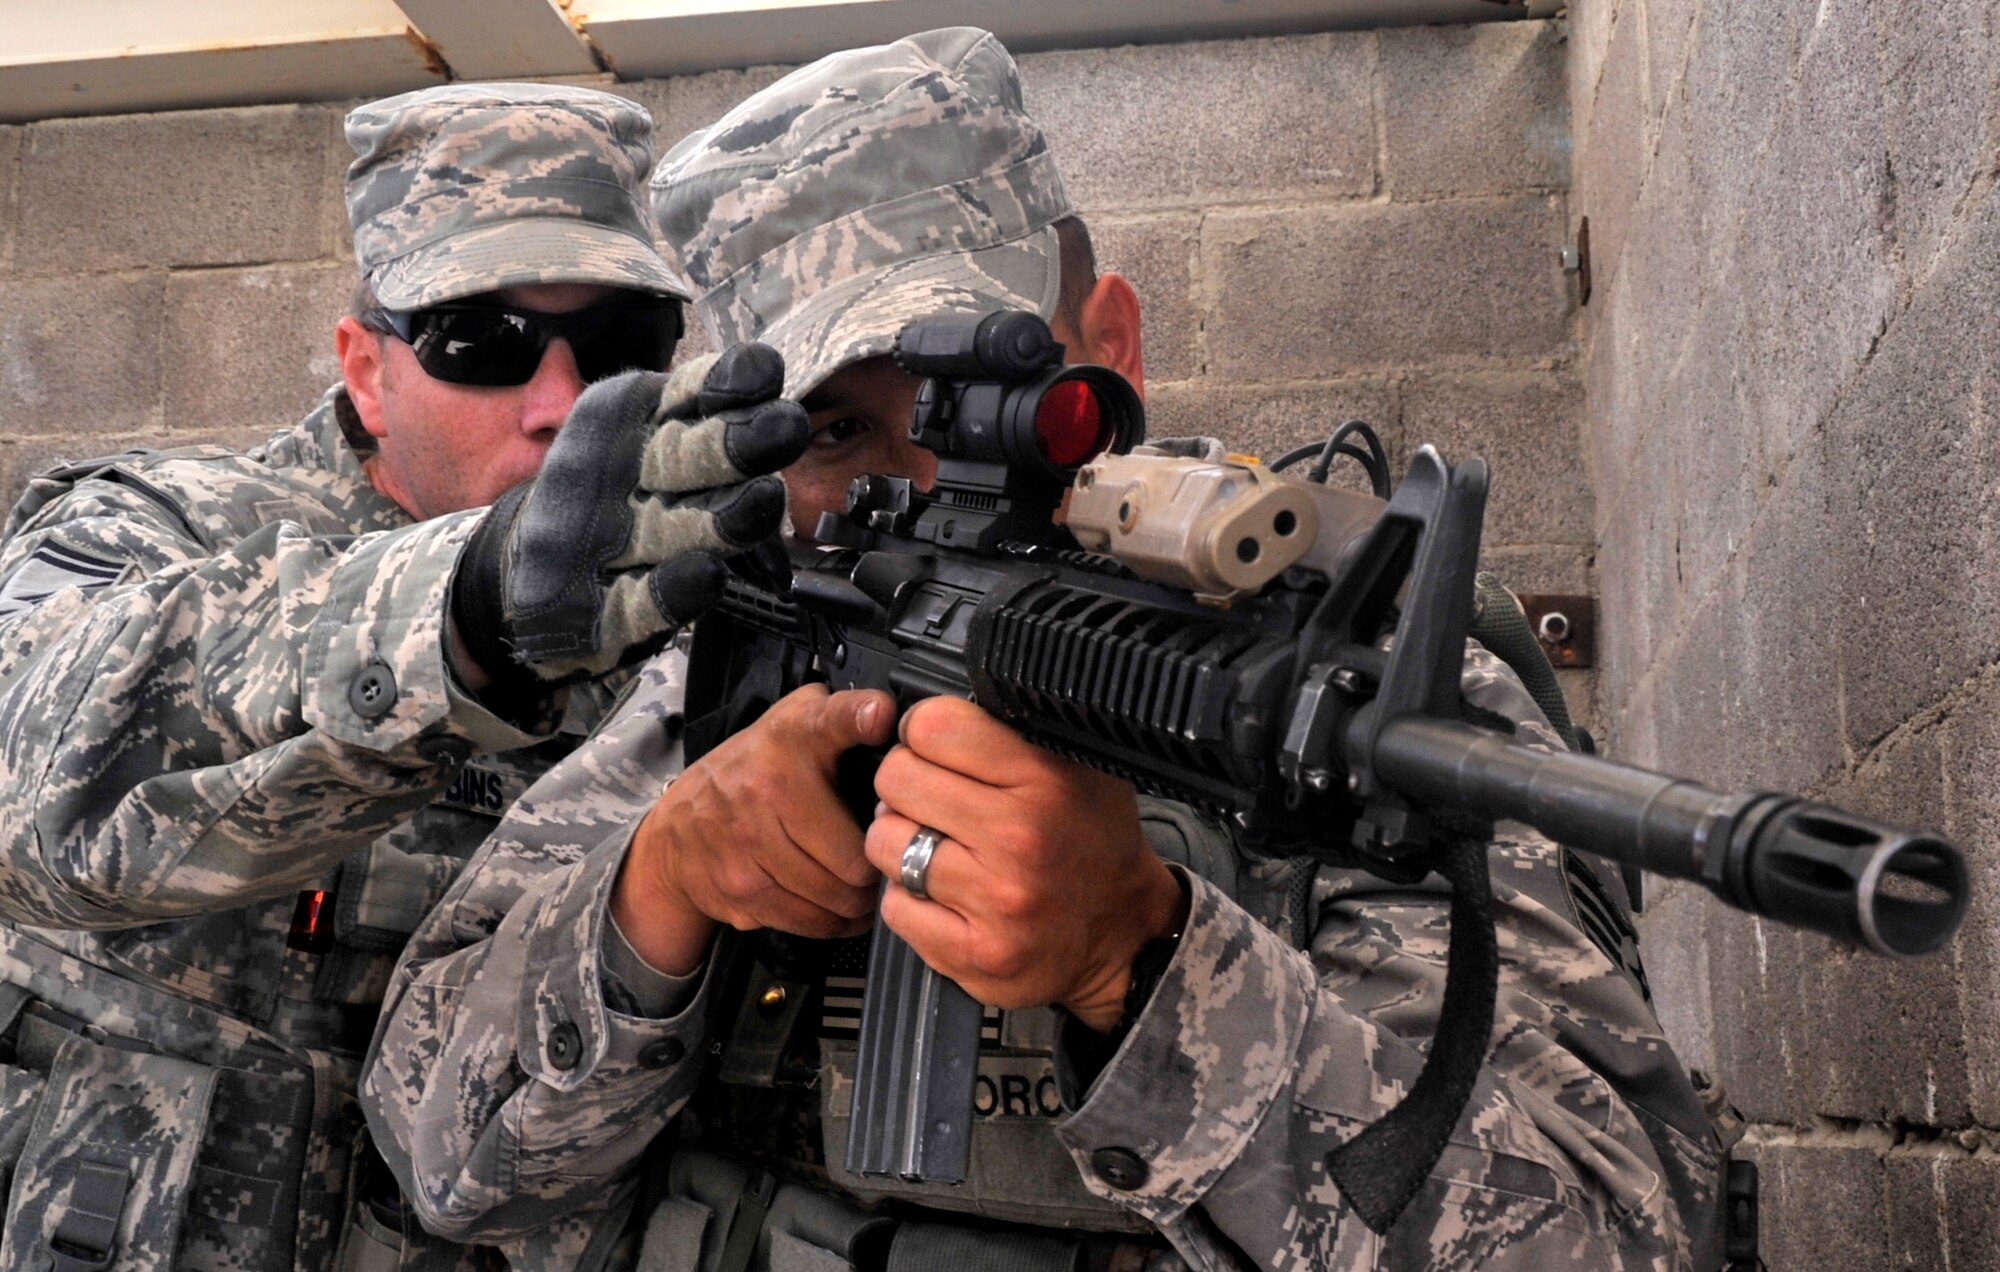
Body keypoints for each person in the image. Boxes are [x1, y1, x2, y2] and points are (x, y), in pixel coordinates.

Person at [364, 28, 1724, 1272]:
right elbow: (438, 1163)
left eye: (982, 407)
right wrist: (654, 890)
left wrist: (1139, 963)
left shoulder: (1351, 679)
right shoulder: (725, 666)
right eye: (834, 432)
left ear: (1109, 342)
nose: (922, 478)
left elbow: (1617, 1234)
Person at [0, 83, 805, 1270]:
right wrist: (465, 608)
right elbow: (33, 777)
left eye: (622, 343)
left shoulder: (696, 609)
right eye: (482, 340)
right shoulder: (165, 526)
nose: (559, 404)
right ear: (366, 371)